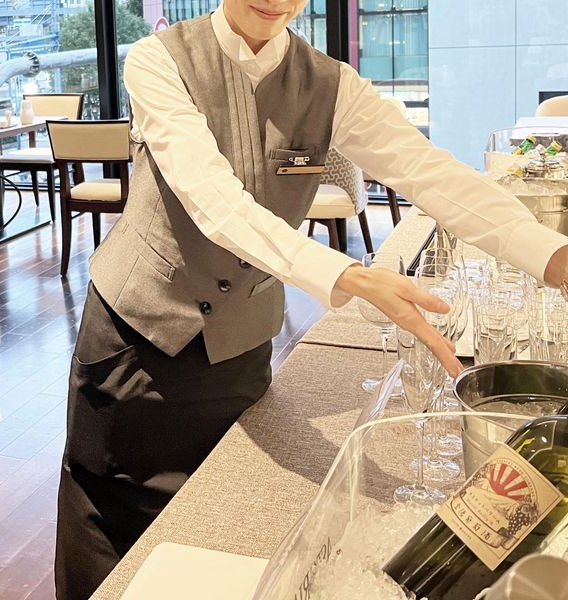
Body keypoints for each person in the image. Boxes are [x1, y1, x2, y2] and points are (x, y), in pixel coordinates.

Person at [53, 0, 568, 597]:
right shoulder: (158, 59)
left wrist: (552, 255)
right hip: (137, 334)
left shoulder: (329, 83)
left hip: (241, 342)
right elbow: (211, 197)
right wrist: (348, 274)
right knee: (111, 522)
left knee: (219, 519)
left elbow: (430, 173)